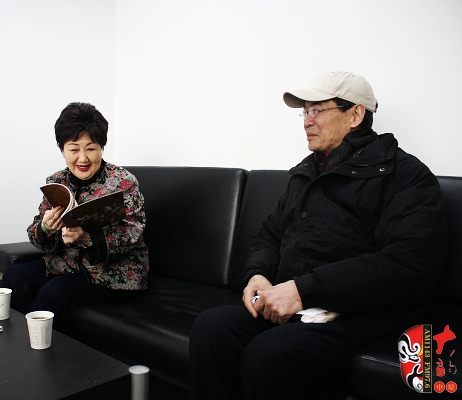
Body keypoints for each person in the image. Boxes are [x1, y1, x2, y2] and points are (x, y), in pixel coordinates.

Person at [189, 71, 447, 399]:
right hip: (298, 304)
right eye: (304, 112)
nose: (307, 121)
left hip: (359, 311)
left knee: (270, 354)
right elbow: (269, 234)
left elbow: (409, 264)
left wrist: (303, 290)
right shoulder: (307, 172)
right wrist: (257, 274)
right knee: (212, 328)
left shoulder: (406, 175)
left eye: (317, 110)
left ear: (355, 114)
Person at [2, 102, 149, 330]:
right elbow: (36, 232)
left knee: (55, 291)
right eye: (73, 150)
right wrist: (46, 228)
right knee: (14, 276)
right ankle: (19, 340)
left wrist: (88, 239)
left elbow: (134, 232)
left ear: (101, 148)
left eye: (90, 149)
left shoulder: (123, 182)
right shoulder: (57, 182)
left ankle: (39, 345)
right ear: (63, 150)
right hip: (67, 266)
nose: (83, 158)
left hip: (112, 274)